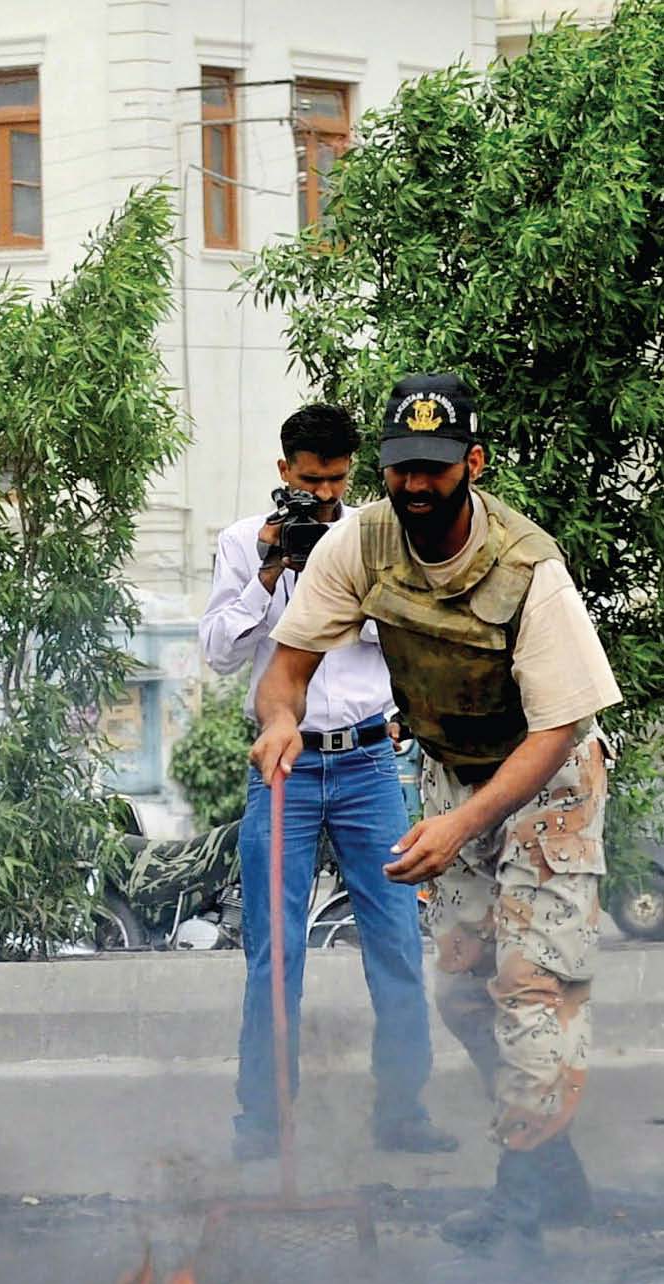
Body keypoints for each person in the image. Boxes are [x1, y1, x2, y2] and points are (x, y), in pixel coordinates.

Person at [252, 372, 622, 1255]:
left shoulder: (527, 565)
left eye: (436, 468)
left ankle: (522, 1197)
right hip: (454, 777)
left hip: (548, 782)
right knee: (462, 991)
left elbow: (558, 725)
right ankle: (552, 1156)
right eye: (401, 469)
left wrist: (464, 825)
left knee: (534, 990)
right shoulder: (360, 542)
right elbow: (288, 665)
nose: (416, 487)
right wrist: (277, 722)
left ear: (472, 465)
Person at [200, 402, 455, 1163]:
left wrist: (343, 586)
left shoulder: (377, 537)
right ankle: (263, 1121)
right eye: (310, 481)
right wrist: (273, 571)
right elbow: (216, 652)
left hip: (368, 761)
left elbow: (415, 631)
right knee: (272, 951)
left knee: (398, 940)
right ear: (284, 472)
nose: (323, 495)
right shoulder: (244, 542)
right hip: (283, 762)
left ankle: (402, 1112)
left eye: (338, 481)